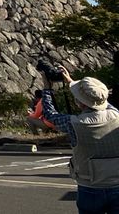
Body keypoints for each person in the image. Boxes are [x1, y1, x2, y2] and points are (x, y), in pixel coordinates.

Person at [40, 65, 119, 212]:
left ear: (80, 102)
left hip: (90, 187)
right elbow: (101, 102)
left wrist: (47, 88)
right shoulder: (117, 115)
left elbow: (49, 114)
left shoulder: (74, 123)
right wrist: (72, 82)